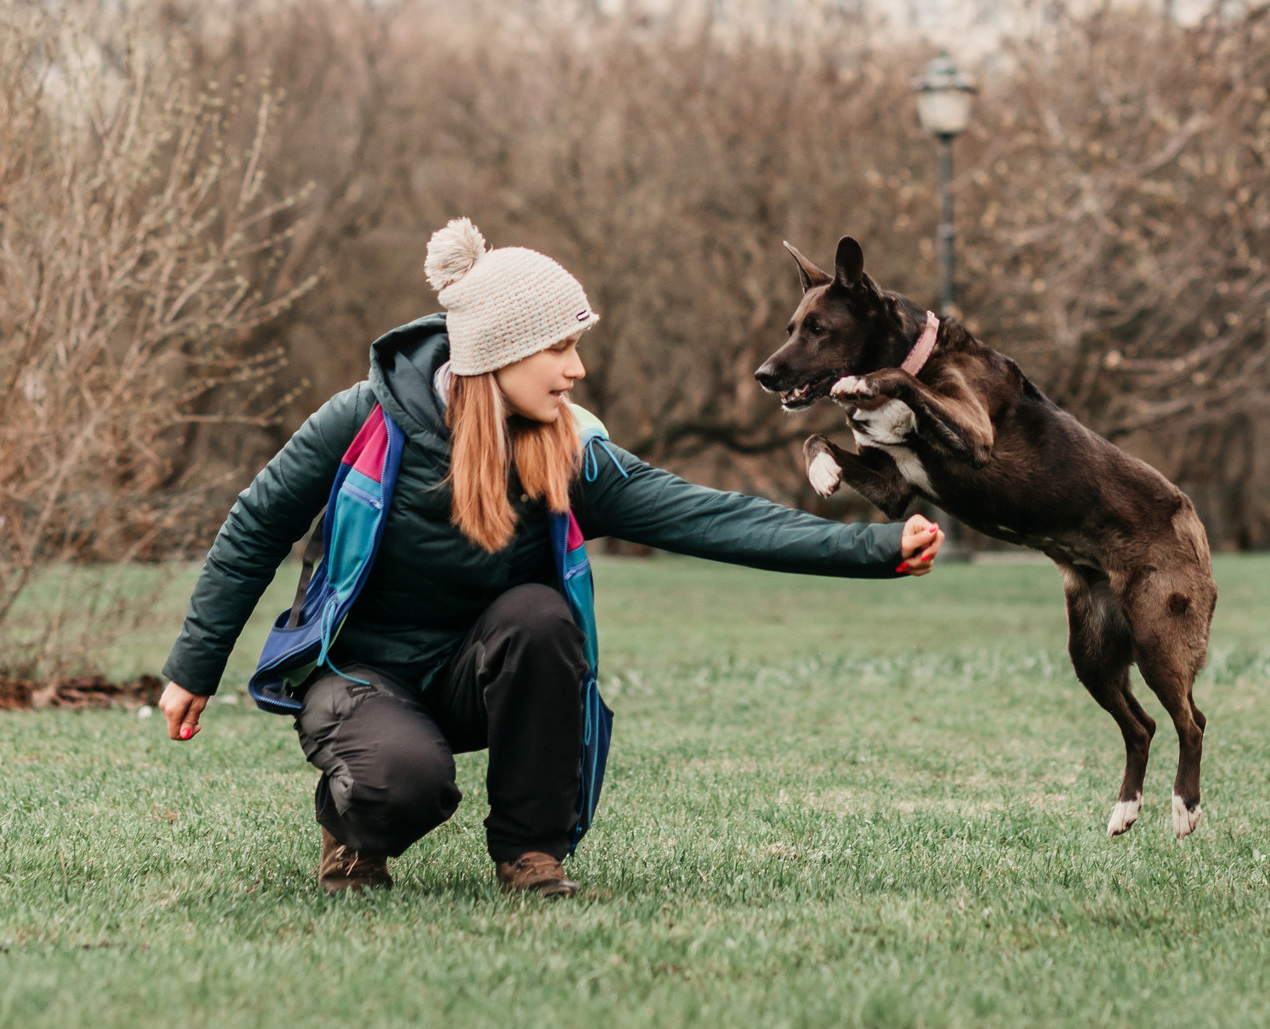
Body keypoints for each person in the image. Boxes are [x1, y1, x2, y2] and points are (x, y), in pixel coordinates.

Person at [157, 219, 944, 898]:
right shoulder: (366, 420)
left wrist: (873, 546)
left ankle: (529, 850)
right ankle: (352, 824)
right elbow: (255, 526)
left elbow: (706, 516)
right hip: (358, 679)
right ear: (499, 352)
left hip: (476, 674)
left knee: (540, 616)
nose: (577, 369)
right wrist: (195, 665)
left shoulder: (569, 449)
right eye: (559, 348)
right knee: (406, 781)